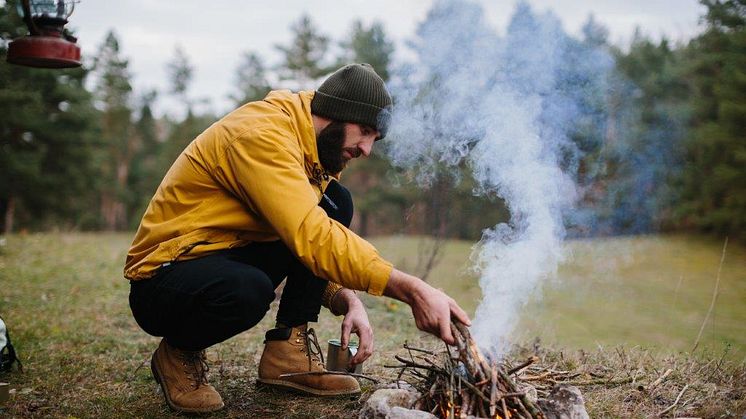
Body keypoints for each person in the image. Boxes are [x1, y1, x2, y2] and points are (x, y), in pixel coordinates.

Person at [124, 63, 471, 413]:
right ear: (336, 114)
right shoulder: (262, 136)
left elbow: (303, 231)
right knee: (247, 290)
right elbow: (310, 235)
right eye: (364, 131)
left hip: (224, 251)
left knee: (336, 201)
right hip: (163, 278)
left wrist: (344, 296)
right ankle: (178, 352)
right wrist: (411, 289)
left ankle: (287, 351)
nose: (367, 149)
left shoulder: (310, 152)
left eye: (374, 139)